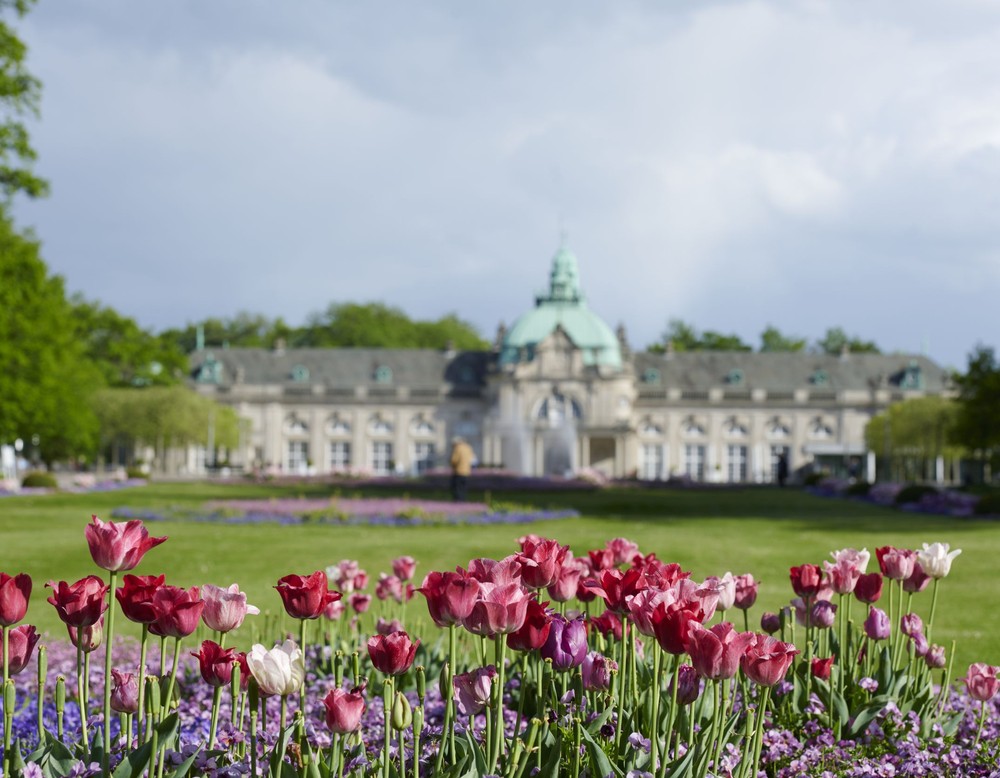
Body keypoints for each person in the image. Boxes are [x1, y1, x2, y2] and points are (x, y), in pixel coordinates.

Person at [450, 436, 474, 501]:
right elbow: (472, 459)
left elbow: (454, 460)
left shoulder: (458, 448)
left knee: (457, 488)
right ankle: (463, 500)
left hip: (459, 471)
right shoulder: (468, 448)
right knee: (464, 488)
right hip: (467, 471)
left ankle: (458, 501)